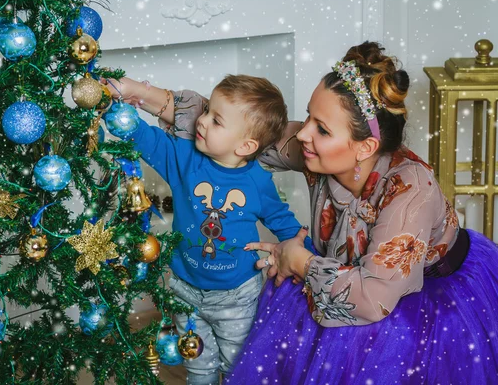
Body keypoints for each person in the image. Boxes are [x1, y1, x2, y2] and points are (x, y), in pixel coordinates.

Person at [109, 42, 498, 384]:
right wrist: (136, 93)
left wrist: (301, 261)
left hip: (410, 299)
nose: (305, 133)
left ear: (365, 148)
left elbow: (373, 297)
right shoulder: (312, 151)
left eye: (322, 128)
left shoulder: (410, 193)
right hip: (338, 274)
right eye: (309, 116)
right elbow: (239, 128)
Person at [106, 74, 312, 385]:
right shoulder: (185, 158)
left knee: (236, 367)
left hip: (237, 297)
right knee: (198, 367)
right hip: (185, 289)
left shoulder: (257, 181)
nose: (200, 122)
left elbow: (283, 222)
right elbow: (147, 139)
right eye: (206, 112)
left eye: (216, 120)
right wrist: (114, 107)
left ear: (246, 145)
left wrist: (305, 256)